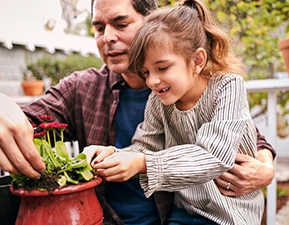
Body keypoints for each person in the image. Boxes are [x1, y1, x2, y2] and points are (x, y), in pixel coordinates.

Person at [0, 0, 275, 224]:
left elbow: (238, 139)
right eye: (99, 28)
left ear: (149, 20)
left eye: (120, 23)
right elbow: (143, 146)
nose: (108, 38)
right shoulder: (85, 87)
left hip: (216, 214)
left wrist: (266, 166)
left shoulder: (210, 86)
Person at [84, 1, 269, 224]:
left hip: (229, 214)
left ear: (197, 60)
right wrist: (114, 155)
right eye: (146, 72)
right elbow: (145, 145)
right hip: (184, 212)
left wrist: (144, 163)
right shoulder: (158, 99)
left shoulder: (228, 87)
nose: (152, 81)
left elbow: (215, 155)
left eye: (162, 68)